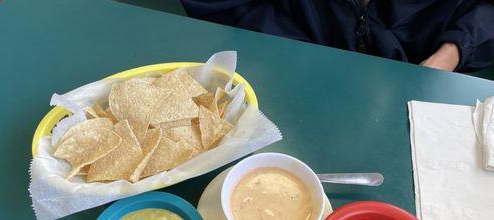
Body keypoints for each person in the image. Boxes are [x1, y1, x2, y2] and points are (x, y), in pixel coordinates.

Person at [181, 0, 494, 72]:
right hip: (288, 71)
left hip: (424, 84)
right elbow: (227, 7)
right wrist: (300, 54)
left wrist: (454, 49)